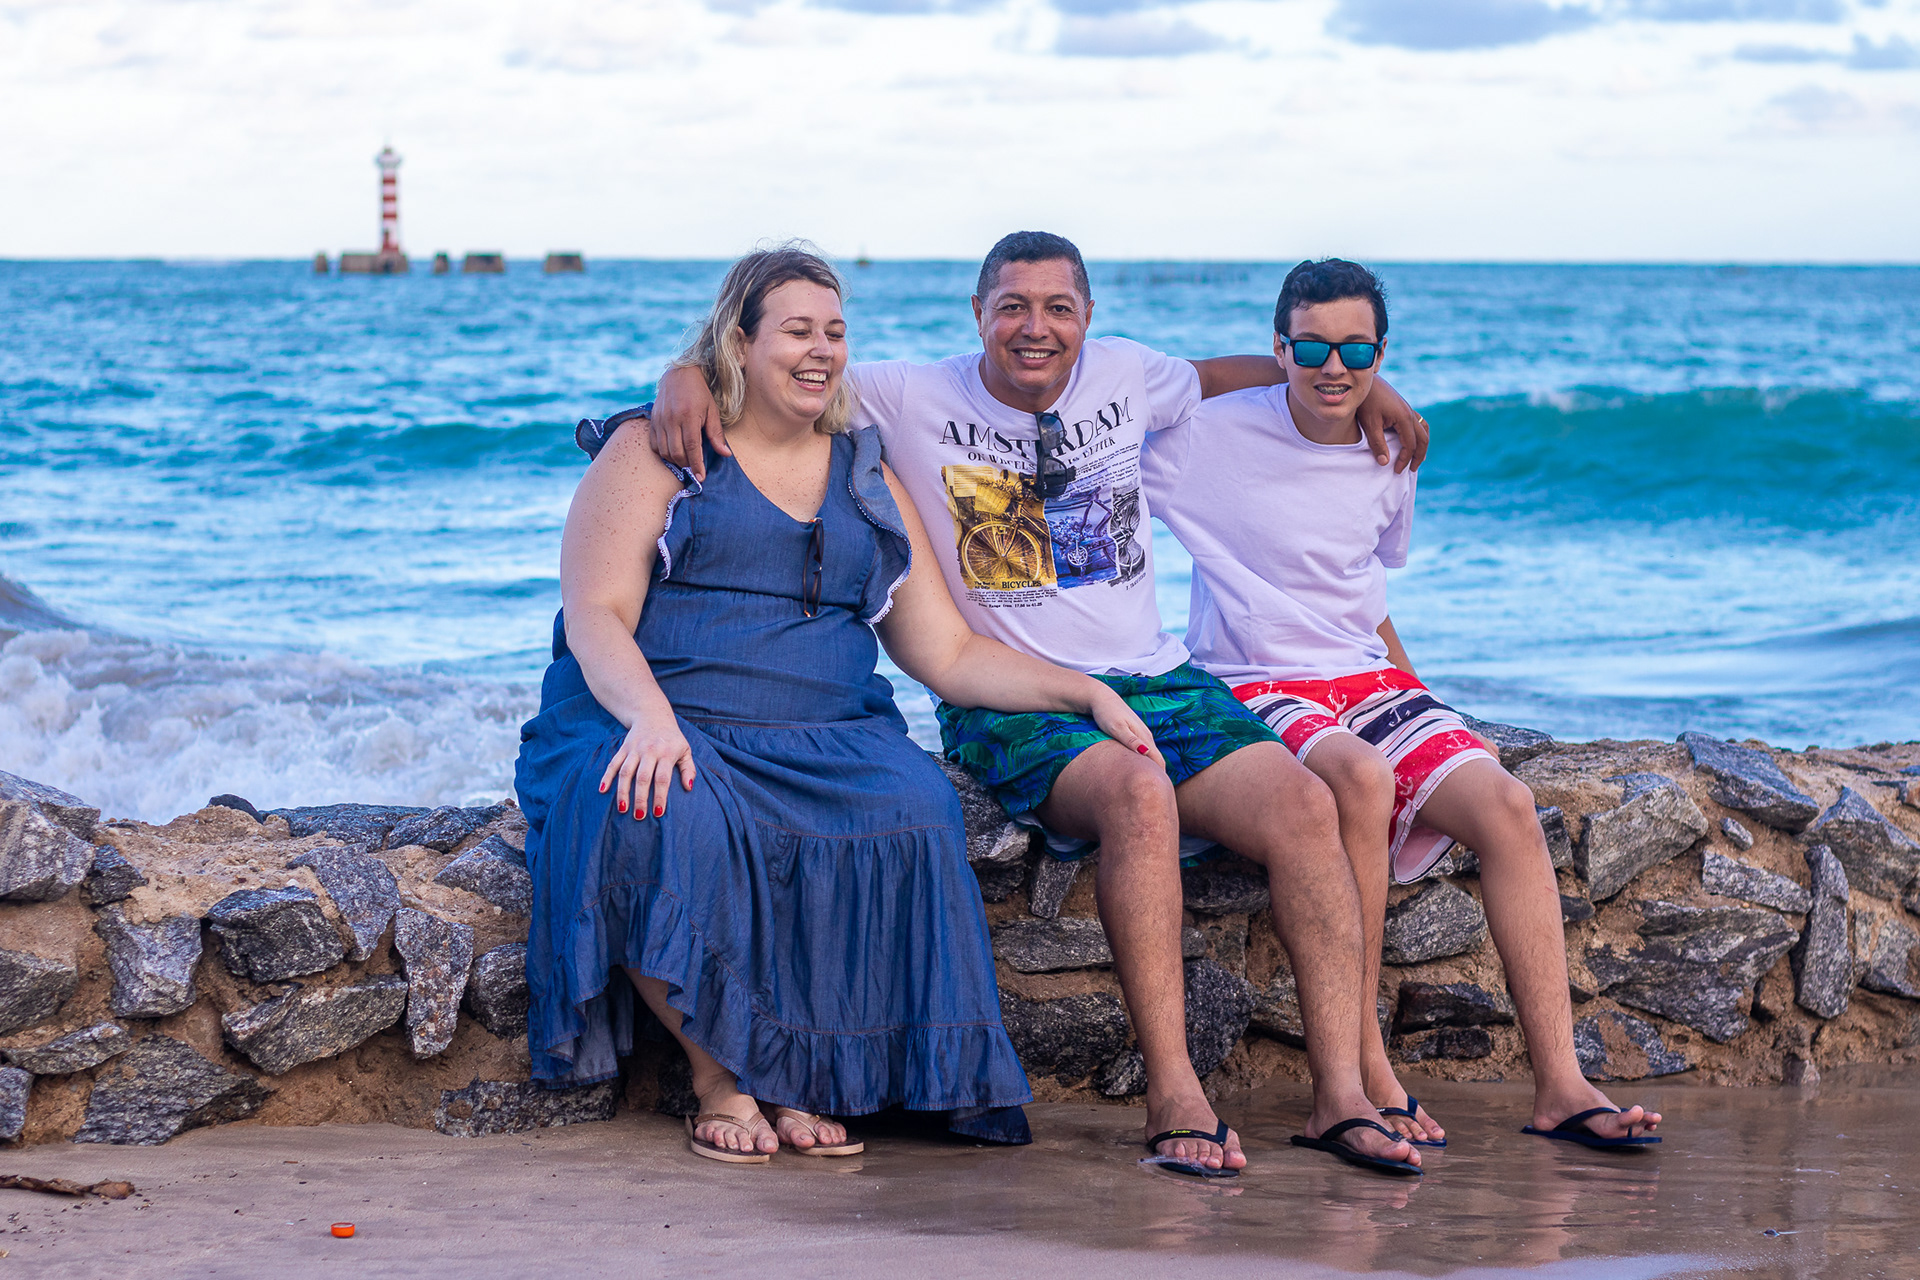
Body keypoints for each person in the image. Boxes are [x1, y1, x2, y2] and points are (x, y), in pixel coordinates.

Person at [646, 232, 1433, 1176]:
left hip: (1158, 677)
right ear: (977, 314)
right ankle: (1174, 1092)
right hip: (1011, 696)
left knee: (1306, 803)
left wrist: (1366, 385)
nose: (1036, 327)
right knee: (1139, 794)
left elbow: (1236, 374)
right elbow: (785, 374)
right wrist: (683, 376)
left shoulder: (1130, 374)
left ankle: (1340, 1096)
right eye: (1012, 306)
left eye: (1059, 307)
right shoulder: (911, 395)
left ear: (1088, 318)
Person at [514, 244, 1165, 1164]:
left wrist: (1083, 691)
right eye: (795, 332)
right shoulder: (658, 449)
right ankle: (722, 1079)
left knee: (916, 805)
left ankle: (813, 1077)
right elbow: (595, 612)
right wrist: (650, 719)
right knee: (656, 807)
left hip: (825, 730)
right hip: (661, 710)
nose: (820, 351)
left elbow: (945, 652)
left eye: (834, 332)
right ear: (738, 345)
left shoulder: (866, 474)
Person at [1144, 257, 1663, 1151]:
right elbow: (1120, 404)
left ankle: (1562, 1084)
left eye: (1357, 350)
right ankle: (1368, 1065)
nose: (1334, 366)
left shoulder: (1392, 448)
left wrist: (1421, 698)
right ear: (1279, 347)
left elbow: (1360, 588)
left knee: (1506, 805)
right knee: (1360, 776)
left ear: (1382, 353)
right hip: (1252, 676)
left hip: (1368, 676)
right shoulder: (1207, 437)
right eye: (1312, 346)